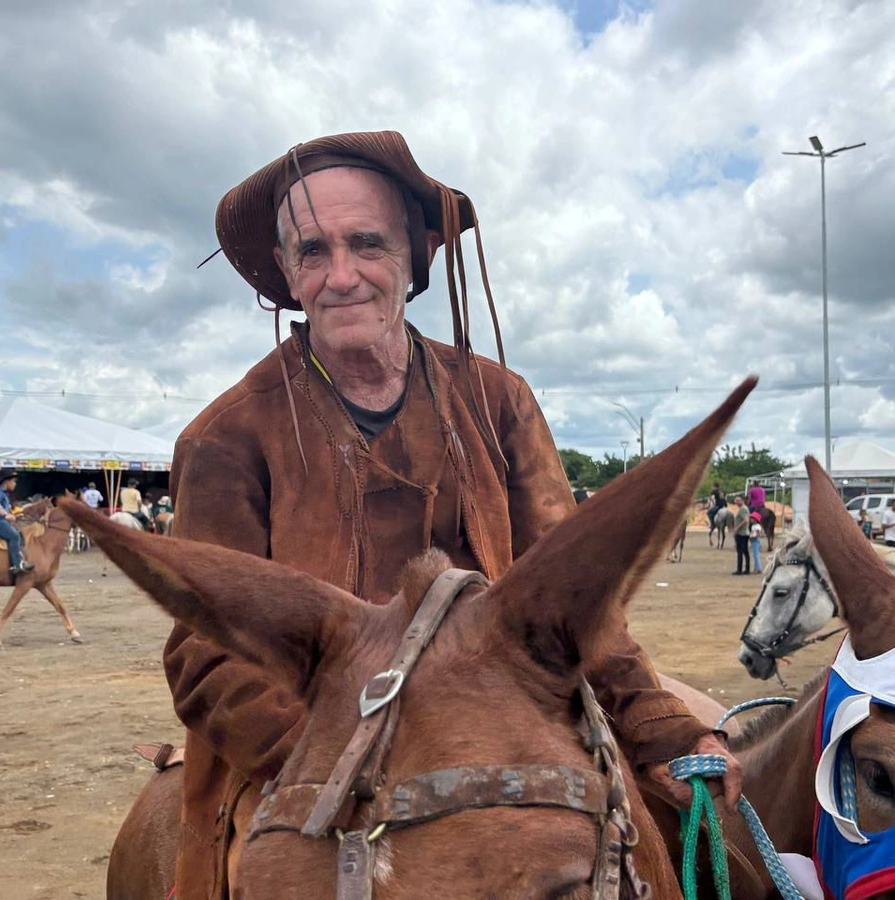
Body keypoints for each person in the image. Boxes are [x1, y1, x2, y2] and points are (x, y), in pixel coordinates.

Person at [162, 131, 742, 899]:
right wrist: (343, 749)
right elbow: (205, 658)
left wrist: (659, 724)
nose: (341, 276)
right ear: (287, 273)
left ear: (411, 258)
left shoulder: (500, 400)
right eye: (312, 251)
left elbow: (579, 606)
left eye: (366, 244)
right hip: (308, 744)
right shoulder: (225, 437)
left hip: (510, 717)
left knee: (703, 849)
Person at [0, 470, 34, 576]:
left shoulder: (4, 494)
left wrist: (15, 516)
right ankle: (16, 565)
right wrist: (6, 515)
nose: (15, 484)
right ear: (6, 481)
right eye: (13, 481)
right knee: (14, 536)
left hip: (2, 521)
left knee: (20, 535)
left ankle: (20, 557)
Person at [732, 495, 751, 574]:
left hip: (741, 533)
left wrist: (737, 528)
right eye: (736, 500)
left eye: (738, 500)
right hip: (744, 533)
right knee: (744, 551)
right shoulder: (743, 508)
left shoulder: (743, 509)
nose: (736, 502)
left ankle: (740, 569)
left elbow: (746, 520)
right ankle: (746, 569)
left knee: (740, 551)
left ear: (742, 500)